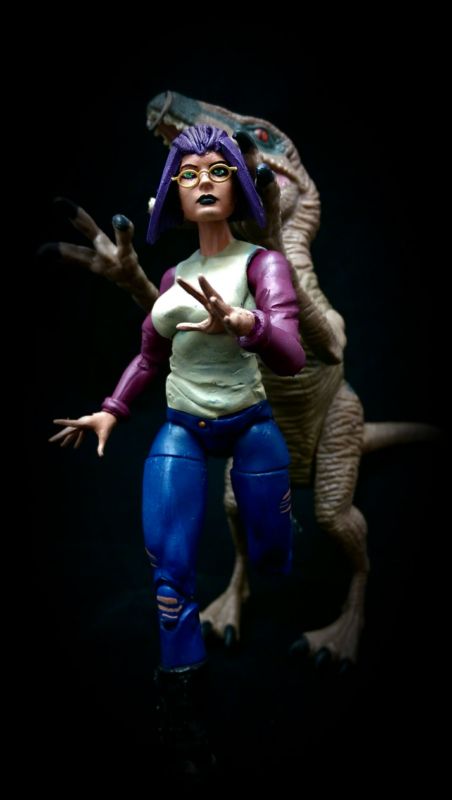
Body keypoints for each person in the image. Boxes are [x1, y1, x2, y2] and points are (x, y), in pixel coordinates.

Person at [50, 124, 306, 776]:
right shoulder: (173, 276)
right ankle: (184, 720)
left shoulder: (261, 265)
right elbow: (148, 356)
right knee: (169, 577)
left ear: (238, 186)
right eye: (188, 174)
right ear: (173, 196)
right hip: (184, 427)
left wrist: (244, 321)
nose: (203, 182)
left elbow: (292, 353)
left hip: (250, 424)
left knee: (272, 555)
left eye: (218, 170)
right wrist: (112, 409)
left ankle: (276, 545)